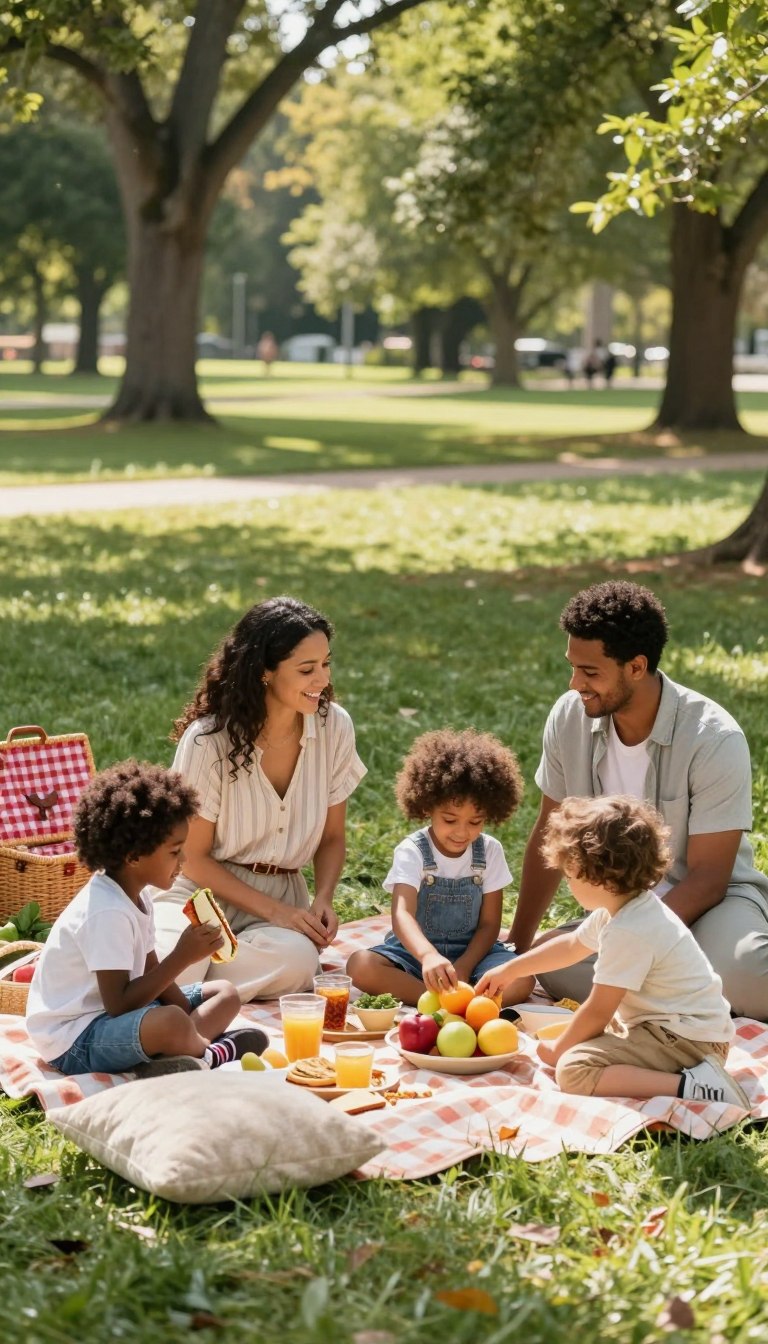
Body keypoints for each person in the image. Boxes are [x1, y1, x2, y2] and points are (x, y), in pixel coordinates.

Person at [507, 580, 768, 1019]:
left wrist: (635, 938)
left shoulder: (713, 738)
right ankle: (677, 989)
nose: (575, 684)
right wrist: (515, 946)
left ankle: (682, 979)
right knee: (548, 963)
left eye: (590, 672)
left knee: (748, 980)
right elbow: (549, 835)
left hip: (712, 904)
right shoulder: (569, 718)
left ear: (636, 667)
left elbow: (708, 878)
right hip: (622, 905)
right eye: (572, 667)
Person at [152, 595, 366, 1001]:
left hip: (282, 898)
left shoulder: (334, 727)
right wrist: (278, 914)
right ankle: (192, 977)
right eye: (306, 669)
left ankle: (188, 985)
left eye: (326, 664)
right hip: (198, 895)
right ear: (265, 672)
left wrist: (322, 898)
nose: (322, 679)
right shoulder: (209, 741)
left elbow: (332, 836)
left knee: (299, 962)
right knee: (175, 955)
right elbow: (193, 858)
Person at [478, 796, 750, 1107]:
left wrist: (558, 1050)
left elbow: (598, 1009)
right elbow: (571, 946)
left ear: (598, 877)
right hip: (679, 1030)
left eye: (570, 875)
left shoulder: (630, 931)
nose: (567, 883)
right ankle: (688, 1077)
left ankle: (695, 1086)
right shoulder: (623, 910)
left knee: (574, 1070)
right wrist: (512, 969)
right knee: (585, 1036)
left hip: (688, 1042)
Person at [26, 761, 267, 1077]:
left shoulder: (137, 893)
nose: (183, 860)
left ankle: (179, 1051)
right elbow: (119, 1004)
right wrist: (182, 958)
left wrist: (184, 1011)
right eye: (175, 851)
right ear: (134, 856)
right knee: (170, 1022)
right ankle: (211, 1054)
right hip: (75, 1040)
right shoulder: (106, 911)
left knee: (224, 993)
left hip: (117, 1019)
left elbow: (150, 967)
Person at [347, 728, 533, 1005]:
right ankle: (445, 1002)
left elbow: (490, 924)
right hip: (415, 953)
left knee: (524, 979)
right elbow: (402, 916)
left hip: (475, 953)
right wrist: (428, 956)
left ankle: (462, 997)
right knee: (360, 965)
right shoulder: (413, 850)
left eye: (475, 821)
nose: (462, 832)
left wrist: (466, 965)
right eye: (450, 819)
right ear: (426, 807)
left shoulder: (490, 851)